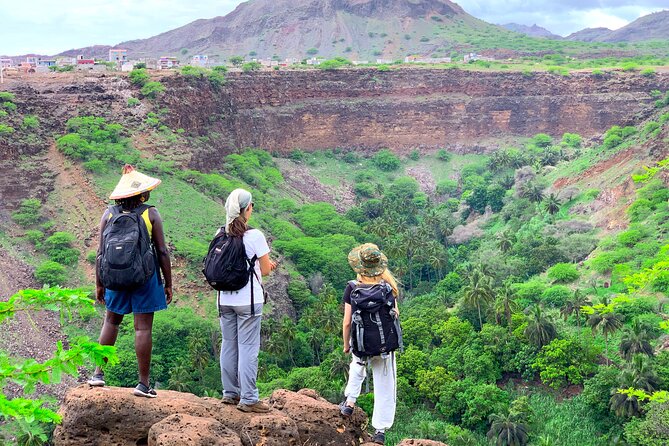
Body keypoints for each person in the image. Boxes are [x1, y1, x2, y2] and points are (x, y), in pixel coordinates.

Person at [87, 164, 173, 398]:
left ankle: (98, 374)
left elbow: (100, 251)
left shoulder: (109, 214)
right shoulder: (150, 213)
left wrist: (99, 283)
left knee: (111, 323)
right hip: (145, 277)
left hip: (114, 276)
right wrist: (168, 283)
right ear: (142, 194)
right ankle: (143, 384)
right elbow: (162, 251)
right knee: (142, 328)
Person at [218, 188, 277, 412]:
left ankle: (230, 393)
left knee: (229, 345)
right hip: (248, 301)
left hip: (224, 300)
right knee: (248, 348)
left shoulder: (219, 233)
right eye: (251, 206)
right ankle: (249, 398)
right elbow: (265, 270)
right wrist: (269, 267)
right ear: (247, 210)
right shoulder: (255, 236)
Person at [340, 243, 400, 445]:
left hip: (361, 343)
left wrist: (346, 344)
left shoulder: (352, 288)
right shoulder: (388, 289)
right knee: (385, 384)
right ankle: (380, 431)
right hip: (384, 346)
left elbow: (347, 322)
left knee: (357, 366)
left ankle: (349, 402)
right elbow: (395, 315)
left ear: (360, 266)